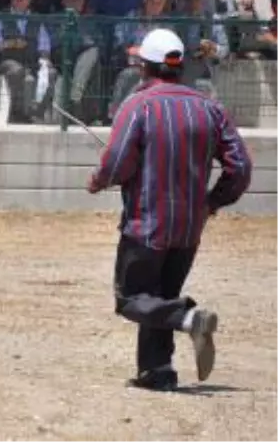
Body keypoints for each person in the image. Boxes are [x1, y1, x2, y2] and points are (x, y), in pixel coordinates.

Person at [87, 28, 252, 392]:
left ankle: (189, 317)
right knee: (159, 295)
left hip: (147, 224)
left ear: (145, 66)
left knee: (132, 299)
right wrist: (213, 202)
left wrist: (99, 180)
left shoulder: (139, 105)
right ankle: (157, 371)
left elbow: (116, 162)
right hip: (190, 227)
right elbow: (240, 167)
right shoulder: (209, 107)